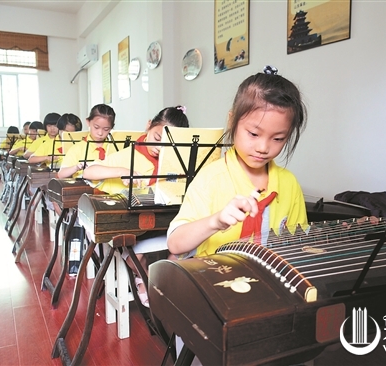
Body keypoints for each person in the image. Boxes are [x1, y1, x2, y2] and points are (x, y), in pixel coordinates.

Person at [167, 66, 308, 259]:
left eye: (278, 138)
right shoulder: (210, 178)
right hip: (214, 280)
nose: (263, 147)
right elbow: (175, 244)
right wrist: (215, 222)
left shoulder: (289, 183)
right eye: (254, 134)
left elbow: (297, 244)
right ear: (232, 120)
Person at [83, 105, 189, 307]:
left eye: (169, 144)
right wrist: (122, 170)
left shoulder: (176, 160)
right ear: (148, 125)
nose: (160, 148)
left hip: (166, 219)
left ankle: (164, 283)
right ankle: (147, 281)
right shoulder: (129, 154)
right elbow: (89, 172)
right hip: (136, 222)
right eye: (157, 139)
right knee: (134, 254)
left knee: (186, 242)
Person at [57, 104, 115, 180]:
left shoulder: (115, 147)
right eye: (96, 127)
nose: (100, 133)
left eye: (106, 129)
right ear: (88, 122)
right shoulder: (77, 148)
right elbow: (61, 174)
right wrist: (76, 167)